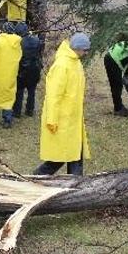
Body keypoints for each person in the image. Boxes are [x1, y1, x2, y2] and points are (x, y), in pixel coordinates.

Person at [34, 33, 91, 176]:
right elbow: (53, 95)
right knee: (58, 159)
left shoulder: (75, 62)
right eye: (85, 50)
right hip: (62, 120)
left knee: (75, 154)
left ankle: (75, 186)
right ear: (77, 48)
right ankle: (35, 178)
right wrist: (51, 119)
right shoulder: (61, 65)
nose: (86, 53)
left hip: (73, 120)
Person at [13, 23, 43, 118]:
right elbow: (39, 53)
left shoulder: (18, 42)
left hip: (23, 70)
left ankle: (17, 112)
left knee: (19, 91)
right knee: (32, 91)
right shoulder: (37, 40)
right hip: (35, 69)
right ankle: (29, 110)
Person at [103, 34, 128, 117]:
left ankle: (119, 107)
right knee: (117, 86)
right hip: (112, 59)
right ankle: (118, 109)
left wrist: (127, 74)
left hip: (110, 55)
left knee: (116, 85)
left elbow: (126, 59)